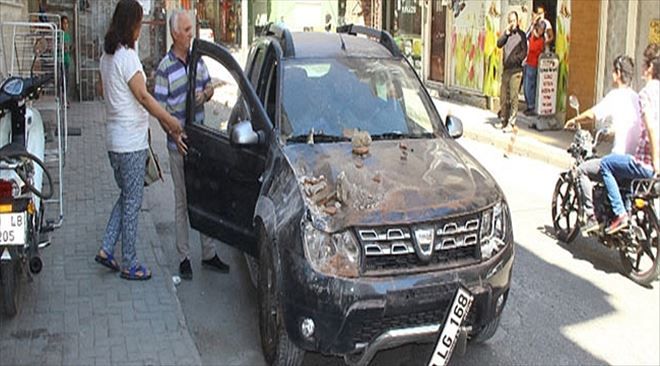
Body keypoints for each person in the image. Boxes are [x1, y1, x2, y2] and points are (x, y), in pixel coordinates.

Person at [95, 0, 185, 280]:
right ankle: (130, 262)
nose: (141, 28)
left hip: (114, 141)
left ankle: (107, 249)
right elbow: (144, 97)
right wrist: (169, 121)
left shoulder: (106, 58)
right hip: (130, 143)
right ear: (130, 24)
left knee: (127, 196)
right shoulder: (127, 58)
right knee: (133, 201)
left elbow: (105, 91)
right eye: (139, 23)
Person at [154, 10, 230, 280]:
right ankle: (184, 257)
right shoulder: (165, 68)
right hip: (179, 145)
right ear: (175, 34)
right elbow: (160, 111)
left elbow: (210, 87)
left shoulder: (198, 61)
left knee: (205, 197)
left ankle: (209, 253)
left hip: (200, 142)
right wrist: (174, 134)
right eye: (186, 30)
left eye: (191, 29)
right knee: (182, 201)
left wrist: (204, 94)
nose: (191, 34)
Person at [564, 55, 640, 233]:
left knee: (582, 170)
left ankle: (591, 216)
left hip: (619, 159)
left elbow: (593, 114)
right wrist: (610, 133)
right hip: (634, 160)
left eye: (614, 71)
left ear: (618, 74)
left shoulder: (616, 96)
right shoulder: (636, 98)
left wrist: (574, 119)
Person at [599, 45, 660, 234]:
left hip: (644, 162)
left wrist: (656, 161)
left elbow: (651, 127)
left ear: (649, 68)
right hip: (650, 162)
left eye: (644, 64)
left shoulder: (646, 93)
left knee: (606, 165)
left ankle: (620, 215)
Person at [496, 11, 527, 130]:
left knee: (514, 97)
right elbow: (499, 44)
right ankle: (503, 119)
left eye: (513, 21)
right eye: (510, 21)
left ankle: (511, 121)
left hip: (516, 70)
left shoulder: (521, 35)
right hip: (506, 70)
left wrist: (515, 59)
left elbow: (524, 52)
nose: (511, 23)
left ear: (517, 21)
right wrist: (506, 33)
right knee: (504, 95)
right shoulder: (507, 35)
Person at [523, 21, 546, 115]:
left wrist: (535, 36)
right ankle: (529, 105)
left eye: (542, 29)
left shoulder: (541, 40)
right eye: (539, 28)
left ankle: (531, 106)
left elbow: (533, 49)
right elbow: (525, 37)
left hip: (534, 64)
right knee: (525, 86)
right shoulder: (532, 36)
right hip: (527, 62)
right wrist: (532, 27)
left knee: (530, 86)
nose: (540, 31)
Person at [60, 15, 73, 106]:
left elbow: (68, 47)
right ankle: (62, 99)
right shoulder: (59, 34)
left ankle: (65, 99)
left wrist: (69, 48)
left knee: (66, 81)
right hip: (61, 60)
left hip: (67, 60)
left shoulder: (67, 35)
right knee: (62, 81)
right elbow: (61, 47)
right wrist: (65, 48)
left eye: (67, 23)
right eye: (64, 23)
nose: (65, 25)